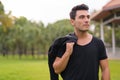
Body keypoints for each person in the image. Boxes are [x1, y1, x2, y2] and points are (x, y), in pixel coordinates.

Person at [48, 4, 110, 80]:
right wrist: (67, 53)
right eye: (82, 17)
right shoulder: (66, 43)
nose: (86, 20)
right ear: (72, 21)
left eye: (88, 17)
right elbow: (57, 70)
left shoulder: (98, 43)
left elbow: (105, 69)